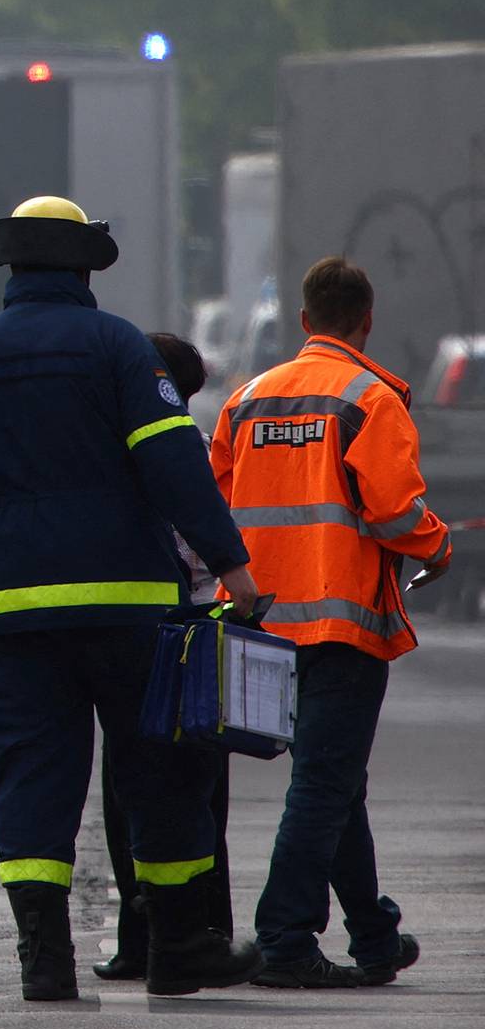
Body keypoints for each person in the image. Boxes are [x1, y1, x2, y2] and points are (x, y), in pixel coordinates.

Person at [0, 195, 264, 1001]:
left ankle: (44, 958)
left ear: (12, 265)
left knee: (29, 776)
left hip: (8, 606)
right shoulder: (118, 348)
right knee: (159, 770)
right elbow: (173, 463)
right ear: (84, 266)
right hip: (124, 604)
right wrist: (232, 565)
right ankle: (180, 948)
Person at [211, 255, 451, 989]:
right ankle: (285, 938)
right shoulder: (370, 399)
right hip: (341, 627)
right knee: (324, 781)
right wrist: (438, 546)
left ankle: (375, 935)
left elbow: (215, 501)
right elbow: (393, 509)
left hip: (259, 626)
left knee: (336, 781)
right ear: (366, 321)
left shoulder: (247, 399)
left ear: (305, 322)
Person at [95, 332, 233, 982]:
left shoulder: (107, 452)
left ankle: (135, 937)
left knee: (125, 788)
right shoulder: (190, 451)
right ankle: (202, 932)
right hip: (195, 628)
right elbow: (207, 544)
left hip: (129, 628)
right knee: (195, 789)